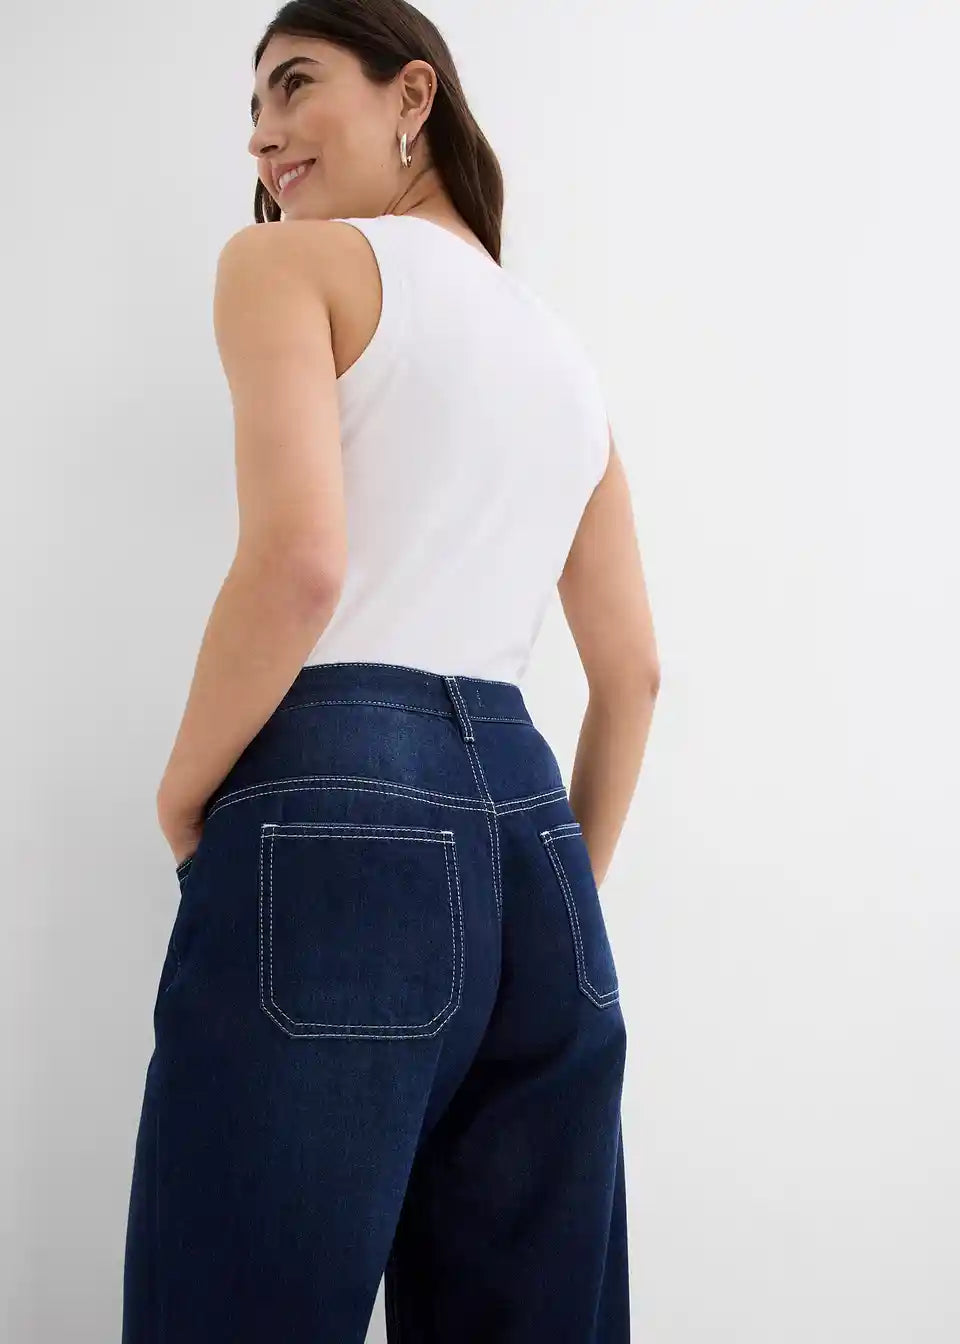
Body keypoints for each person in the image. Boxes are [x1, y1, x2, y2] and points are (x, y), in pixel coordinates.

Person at [121, 3, 660, 1341]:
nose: (263, 134)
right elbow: (634, 673)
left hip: (331, 801)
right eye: (253, 107)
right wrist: (541, 902)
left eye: (294, 84)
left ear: (412, 97)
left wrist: (184, 793)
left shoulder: (285, 265)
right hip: (535, 853)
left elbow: (302, 563)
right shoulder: (564, 359)